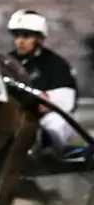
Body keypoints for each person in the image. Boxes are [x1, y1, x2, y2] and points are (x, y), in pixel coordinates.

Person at [6, 9, 78, 157]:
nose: (19, 41)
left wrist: (38, 101)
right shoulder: (7, 62)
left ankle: (47, 154)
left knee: (55, 124)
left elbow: (66, 100)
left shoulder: (56, 64)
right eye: (17, 36)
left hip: (47, 117)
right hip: (14, 115)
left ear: (39, 39)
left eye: (26, 36)